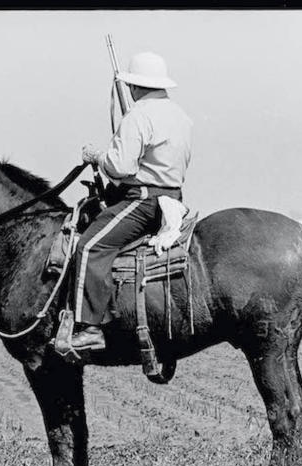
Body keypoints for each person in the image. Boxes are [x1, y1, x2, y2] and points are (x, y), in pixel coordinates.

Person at [73, 51, 191, 350]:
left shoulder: (138, 115)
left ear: (134, 86)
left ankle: (90, 329)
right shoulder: (180, 115)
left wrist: (96, 155)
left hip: (143, 201)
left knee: (90, 246)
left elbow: (121, 167)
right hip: (174, 200)